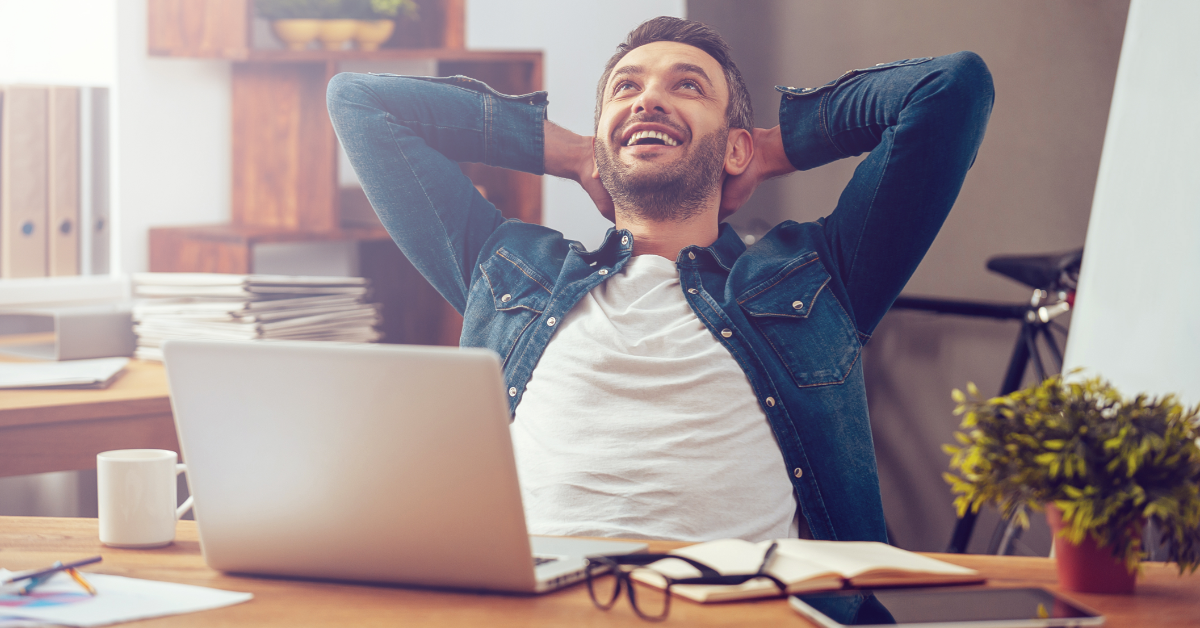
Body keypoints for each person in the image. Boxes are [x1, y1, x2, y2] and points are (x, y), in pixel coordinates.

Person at [326, 16, 993, 544]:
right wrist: (569, 151)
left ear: (734, 145)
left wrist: (769, 147)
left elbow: (950, 89)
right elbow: (358, 102)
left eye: (687, 86)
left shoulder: (819, 278)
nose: (649, 98)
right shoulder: (508, 272)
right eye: (626, 88)